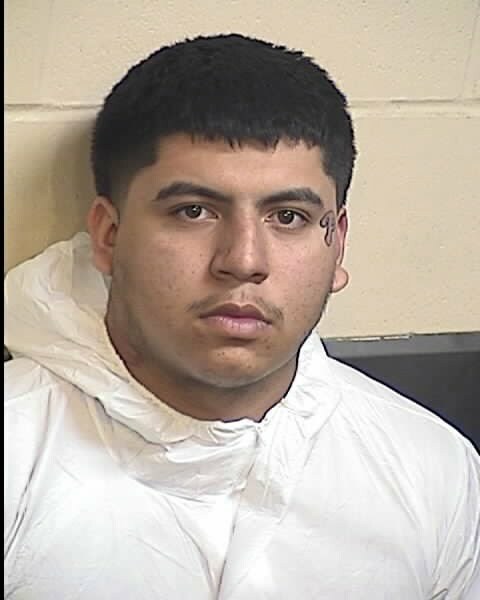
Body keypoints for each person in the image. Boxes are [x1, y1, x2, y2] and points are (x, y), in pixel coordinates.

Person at [4, 33, 479, 599]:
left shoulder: (433, 469)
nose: (244, 261)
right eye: (194, 211)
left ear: (337, 244)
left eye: (288, 217)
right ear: (109, 235)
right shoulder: (17, 450)